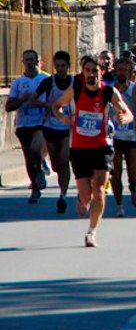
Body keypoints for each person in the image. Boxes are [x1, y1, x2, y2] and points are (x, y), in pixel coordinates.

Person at [51, 56, 133, 247]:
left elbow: (128, 112)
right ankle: (82, 198)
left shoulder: (108, 91)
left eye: (95, 71)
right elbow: (56, 106)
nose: (91, 74)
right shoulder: (76, 89)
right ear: (83, 72)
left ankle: (91, 232)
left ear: (101, 72)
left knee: (99, 189)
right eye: (87, 70)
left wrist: (125, 119)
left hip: (101, 146)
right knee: (87, 196)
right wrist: (62, 118)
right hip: (79, 148)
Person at [31, 50, 74, 213]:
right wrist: (48, 106)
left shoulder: (74, 82)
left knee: (64, 161)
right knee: (56, 164)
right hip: (50, 126)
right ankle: (52, 170)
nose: (60, 69)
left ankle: (63, 195)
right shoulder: (49, 82)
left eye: (63, 66)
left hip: (67, 128)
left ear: (68, 66)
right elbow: (34, 99)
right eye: (57, 66)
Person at [6, 50, 49, 204]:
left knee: (36, 150)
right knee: (29, 158)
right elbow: (8, 106)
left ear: (38, 61)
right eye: (26, 60)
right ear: (23, 62)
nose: (30, 63)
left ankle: (40, 171)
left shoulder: (45, 79)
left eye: (32, 59)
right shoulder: (18, 82)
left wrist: (44, 107)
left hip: (41, 123)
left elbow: (56, 102)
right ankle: (36, 187)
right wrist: (21, 100)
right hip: (23, 124)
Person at [111, 58, 136, 216]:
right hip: (114, 137)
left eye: (125, 70)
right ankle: (119, 205)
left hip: (132, 137)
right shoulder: (109, 89)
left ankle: (133, 187)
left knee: (133, 175)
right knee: (116, 172)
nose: (122, 73)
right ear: (114, 71)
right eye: (119, 70)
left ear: (130, 72)